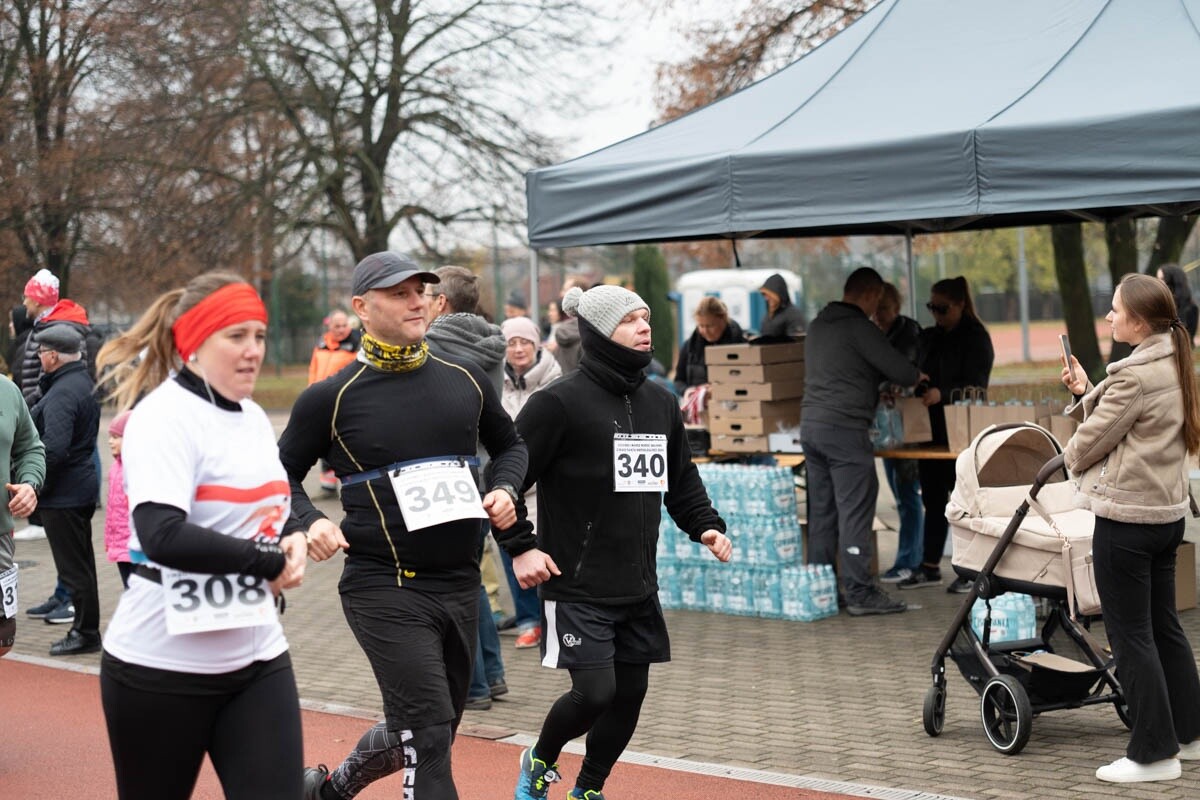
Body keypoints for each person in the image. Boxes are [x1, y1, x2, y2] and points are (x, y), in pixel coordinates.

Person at [278, 251, 528, 800]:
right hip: (384, 586)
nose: (417, 301)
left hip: (461, 586)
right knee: (432, 738)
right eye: (400, 293)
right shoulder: (331, 397)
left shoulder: (463, 378)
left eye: (422, 291)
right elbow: (278, 476)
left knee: (427, 730)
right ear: (362, 307)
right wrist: (309, 520)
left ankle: (329, 790)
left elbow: (511, 445)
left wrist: (506, 489)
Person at [502, 284, 732, 800]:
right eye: (630, 319)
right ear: (600, 333)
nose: (644, 326)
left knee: (629, 696)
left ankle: (588, 789)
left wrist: (706, 525)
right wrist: (521, 544)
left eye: (647, 317)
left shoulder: (659, 401)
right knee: (594, 692)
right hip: (575, 581)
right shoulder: (557, 403)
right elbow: (506, 475)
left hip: (636, 584)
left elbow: (680, 479)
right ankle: (539, 760)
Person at [94, 272, 306, 799]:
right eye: (236, 336)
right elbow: (162, 534)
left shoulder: (255, 417)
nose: (253, 350)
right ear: (194, 340)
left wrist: (294, 533)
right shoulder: (162, 417)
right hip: (160, 666)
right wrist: (265, 560)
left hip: (257, 658)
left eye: (259, 335)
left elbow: (270, 504)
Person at [1059, 273, 1200, 784]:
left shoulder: (1134, 377)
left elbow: (1088, 444)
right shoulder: (1172, 359)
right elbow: (1136, 419)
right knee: (1164, 628)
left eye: (1115, 310)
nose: (1109, 317)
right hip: (1165, 519)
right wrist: (1090, 391)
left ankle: (1153, 753)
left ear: (1139, 321)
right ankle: (1190, 733)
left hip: (1126, 521)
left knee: (1131, 636)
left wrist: (1066, 453)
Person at [800, 268, 923, 616]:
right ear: (869, 295)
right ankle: (859, 591)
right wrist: (917, 376)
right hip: (844, 431)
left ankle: (822, 589)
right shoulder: (860, 327)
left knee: (822, 512)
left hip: (811, 427)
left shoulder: (818, 325)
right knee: (855, 509)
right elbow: (899, 370)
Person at [424, 263, 510, 712]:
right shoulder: (491, 341)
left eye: (424, 295)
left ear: (441, 302)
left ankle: (473, 686)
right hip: (486, 471)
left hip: (448, 476)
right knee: (471, 579)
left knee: (455, 585)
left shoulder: (434, 344)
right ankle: (491, 675)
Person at [899, 276, 994, 593]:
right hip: (930, 429)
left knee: (965, 502)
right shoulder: (932, 337)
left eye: (942, 308)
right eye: (931, 307)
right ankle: (929, 566)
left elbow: (978, 385)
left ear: (960, 305)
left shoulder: (976, 338)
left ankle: (973, 568)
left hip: (962, 429)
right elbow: (921, 367)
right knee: (933, 498)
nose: (936, 315)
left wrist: (945, 393)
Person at [29, 323, 102, 655]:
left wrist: (34, 483)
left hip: (64, 494)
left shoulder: (62, 392)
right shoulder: (79, 382)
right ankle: (86, 630)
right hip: (78, 487)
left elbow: (54, 449)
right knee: (82, 566)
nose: (39, 357)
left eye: (42, 352)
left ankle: (85, 633)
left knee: (74, 570)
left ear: (54, 355)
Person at [499, 315, 562, 651]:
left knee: (548, 552)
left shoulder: (554, 380)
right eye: (512, 343)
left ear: (537, 344)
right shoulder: (495, 382)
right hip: (510, 485)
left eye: (525, 342)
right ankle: (528, 621)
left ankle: (552, 616)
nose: (519, 349)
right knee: (513, 549)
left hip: (547, 484)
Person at [872, 283, 925, 584]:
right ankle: (909, 557)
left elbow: (903, 373)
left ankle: (909, 560)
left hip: (907, 425)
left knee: (907, 493)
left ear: (896, 307)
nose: (879, 316)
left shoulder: (908, 334)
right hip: (889, 425)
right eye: (876, 310)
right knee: (899, 491)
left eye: (884, 310)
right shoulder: (881, 333)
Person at [0, 373, 46, 659]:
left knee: (3, 639)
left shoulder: (7, 390)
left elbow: (30, 447)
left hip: (0, 536)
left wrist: (29, 483)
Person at [308, 309, 363, 490]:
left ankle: (355, 479)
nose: (341, 329)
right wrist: (311, 392)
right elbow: (314, 368)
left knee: (348, 440)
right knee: (324, 439)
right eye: (336, 326)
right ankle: (328, 480)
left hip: (346, 401)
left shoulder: (357, 343)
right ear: (329, 326)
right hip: (322, 400)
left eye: (344, 325)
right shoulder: (322, 343)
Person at [673, 296, 746, 395]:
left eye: (710, 326)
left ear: (723, 319)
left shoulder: (742, 346)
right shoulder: (689, 347)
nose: (705, 331)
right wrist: (688, 391)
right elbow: (678, 381)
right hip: (700, 408)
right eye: (701, 326)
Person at [104, 410, 134, 588]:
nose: (110, 441)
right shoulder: (115, 467)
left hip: (135, 547)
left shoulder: (135, 469)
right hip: (120, 545)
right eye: (110, 437)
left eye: (116, 437)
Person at [1156, 263, 1198, 346]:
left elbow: (1188, 340)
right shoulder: (1158, 305)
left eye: (1162, 279)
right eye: (1158, 279)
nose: (1159, 282)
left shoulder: (1190, 309)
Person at [757, 273, 806, 338]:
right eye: (764, 295)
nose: (766, 298)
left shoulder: (793, 315)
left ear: (777, 294)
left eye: (769, 295)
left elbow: (798, 341)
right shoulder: (767, 317)